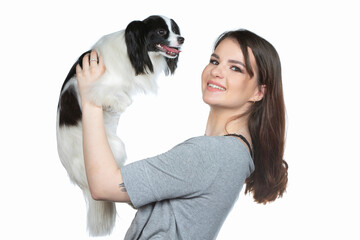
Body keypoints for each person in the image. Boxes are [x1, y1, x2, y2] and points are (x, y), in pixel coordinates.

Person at [76, 29, 288, 239]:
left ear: (259, 92)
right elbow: (132, 190)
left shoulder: (212, 154)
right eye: (215, 61)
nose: (217, 71)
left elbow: (104, 185)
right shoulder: (235, 154)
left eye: (235, 68)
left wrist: (92, 99)